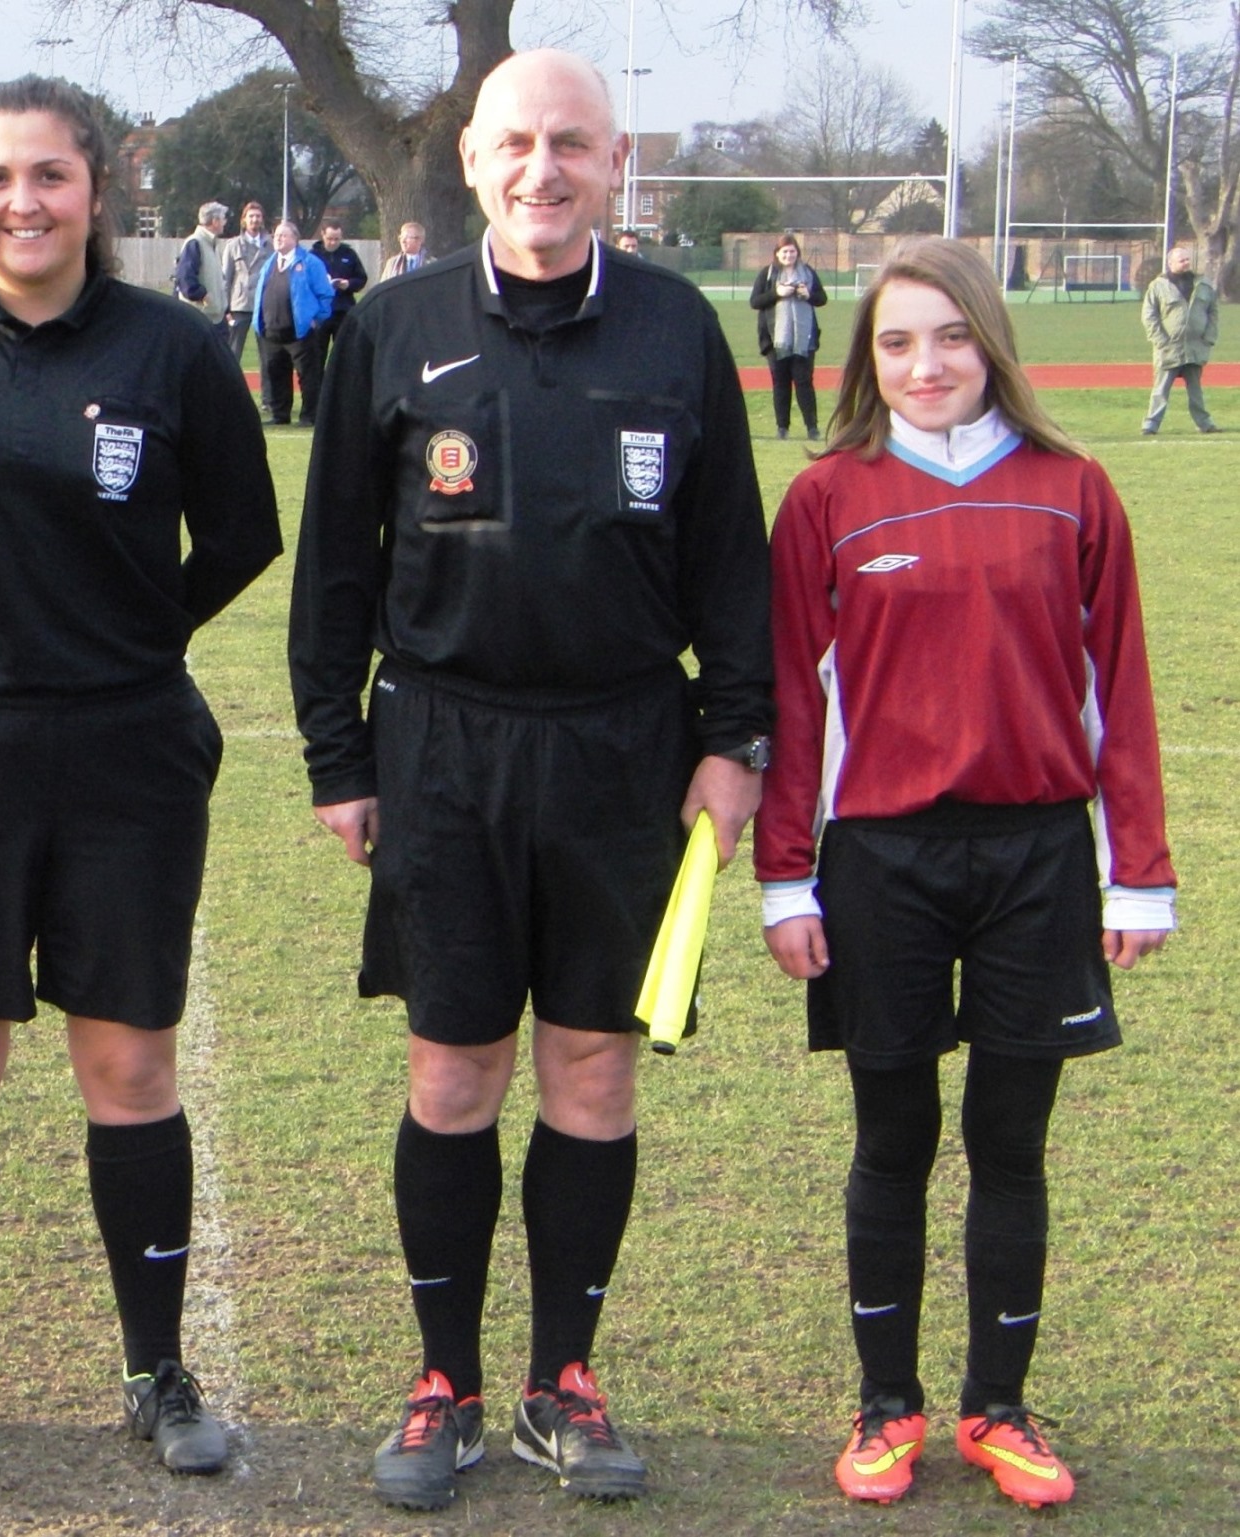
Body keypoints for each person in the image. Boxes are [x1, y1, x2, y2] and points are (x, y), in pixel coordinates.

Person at [288, 49, 772, 1512]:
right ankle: (442, 1380)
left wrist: (734, 739)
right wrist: (338, 756)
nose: (541, 169)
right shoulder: (394, 324)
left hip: (628, 753)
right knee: (451, 1072)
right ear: (473, 158)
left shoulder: (677, 328)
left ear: (614, 163)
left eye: (570, 143)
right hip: (444, 749)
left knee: (592, 1069)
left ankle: (565, 1377)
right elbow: (335, 567)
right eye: (515, 143)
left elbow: (729, 563)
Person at [0, 73, 280, 1479]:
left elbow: (241, 535)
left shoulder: (173, 348)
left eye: (50, 177)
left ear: (96, 191)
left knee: (127, 1061)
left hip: (130, 749)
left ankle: (157, 1371)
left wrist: (127, 638)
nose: (23, 203)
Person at [756, 238, 1176, 1512]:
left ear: (990, 344)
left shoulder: (1073, 489)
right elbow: (793, 703)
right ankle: (887, 1404)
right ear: (867, 357)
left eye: (949, 337)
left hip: (1036, 860)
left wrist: (1138, 874)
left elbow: (1121, 691)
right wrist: (786, 879)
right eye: (897, 342)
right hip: (880, 861)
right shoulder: (827, 497)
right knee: (892, 1140)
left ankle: (1000, 1405)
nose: (925, 365)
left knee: (1011, 1142)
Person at [248, 219, 333, 425]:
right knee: (276, 373)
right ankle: (280, 414)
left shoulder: (310, 263)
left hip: (299, 332)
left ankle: (310, 415)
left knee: (308, 375)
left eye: (283, 235)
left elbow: (325, 294)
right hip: (271, 331)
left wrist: (315, 320)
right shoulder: (269, 263)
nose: (278, 239)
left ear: (295, 238)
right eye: (276, 235)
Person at [751, 233, 829, 440]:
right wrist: (777, 293)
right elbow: (755, 302)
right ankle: (782, 428)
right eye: (784, 252)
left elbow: (822, 298)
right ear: (777, 253)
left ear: (797, 253)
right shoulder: (768, 274)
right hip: (775, 339)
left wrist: (808, 295)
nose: (788, 255)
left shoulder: (808, 272)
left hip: (804, 340)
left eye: (792, 251)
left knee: (804, 382)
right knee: (780, 383)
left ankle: (812, 428)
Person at [1140, 243, 1219, 435]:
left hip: (1195, 347)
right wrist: (1161, 340)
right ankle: (1151, 424)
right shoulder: (1158, 286)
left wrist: (1208, 338)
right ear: (1170, 263)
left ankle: (1205, 424)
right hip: (1169, 348)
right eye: (1181, 260)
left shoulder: (1203, 284)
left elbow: (1213, 312)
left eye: (1187, 259)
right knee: (1161, 390)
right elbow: (1149, 316)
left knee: (1196, 391)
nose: (1186, 263)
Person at [308, 216, 367, 377]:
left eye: (337, 239)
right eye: (330, 239)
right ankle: (318, 388)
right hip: (320, 313)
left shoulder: (349, 254)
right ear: (322, 234)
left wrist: (349, 284)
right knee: (317, 354)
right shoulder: (312, 256)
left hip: (343, 310)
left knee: (344, 354)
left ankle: (340, 387)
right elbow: (304, 283)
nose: (333, 242)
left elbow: (361, 278)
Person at [219, 201, 268, 368]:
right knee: (233, 353)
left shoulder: (271, 245)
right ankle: (229, 385)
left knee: (267, 356)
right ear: (244, 220)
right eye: (251, 216)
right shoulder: (233, 245)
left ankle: (268, 387)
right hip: (239, 306)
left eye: (258, 216)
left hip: (263, 306)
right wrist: (226, 308)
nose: (255, 220)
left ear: (262, 219)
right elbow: (225, 279)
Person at [172, 201, 227, 333]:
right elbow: (185, 279)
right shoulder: (195, 243)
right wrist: (202, 294)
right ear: (215, 221)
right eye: (223, 218)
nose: (225, 222)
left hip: (215, 318)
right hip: (199, 319)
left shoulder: (211, 244)